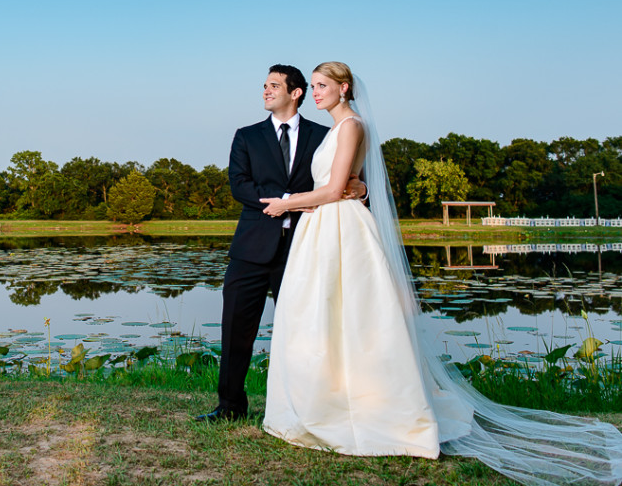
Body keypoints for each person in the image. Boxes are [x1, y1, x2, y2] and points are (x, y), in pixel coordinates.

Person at [259, 61, 622, 485]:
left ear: (344, 88)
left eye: (322, 86)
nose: (315, 92)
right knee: (320, 314)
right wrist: (348, 190)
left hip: (340, 226)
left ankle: (367, 407)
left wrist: (287, 202)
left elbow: (337, 187)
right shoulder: (337, 129)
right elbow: (352, 185)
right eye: (314, 86)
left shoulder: (352, 126)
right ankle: (324, 398)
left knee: (354, 316)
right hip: (325, 226)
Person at [196, 64, 364, 422]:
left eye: (274, 85)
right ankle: (229, 406)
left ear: (295, 92)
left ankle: (304, 405)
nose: (265, 91)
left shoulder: (326, 133)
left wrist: (359, 188)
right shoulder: (246, 136)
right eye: (264, 86)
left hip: (306, 247)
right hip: (251, 248)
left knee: (307, 331)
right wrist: (287, 198)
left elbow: (346, 180)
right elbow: (239, 186)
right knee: (236, 329)